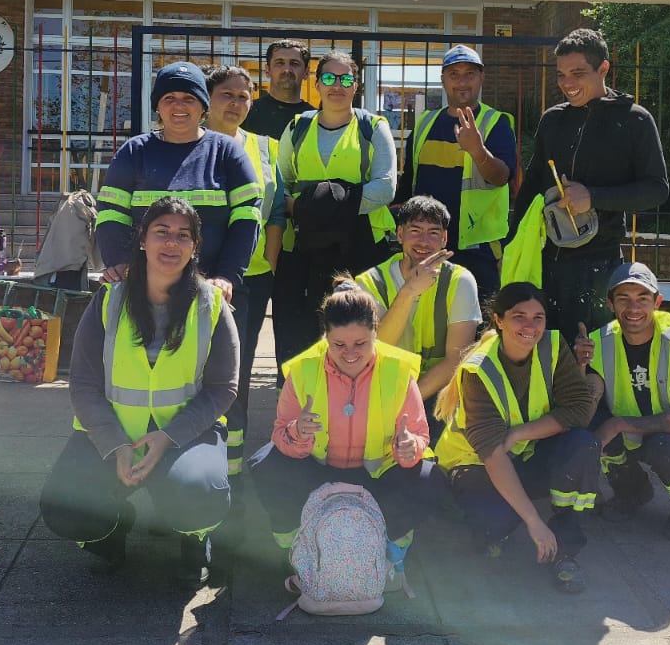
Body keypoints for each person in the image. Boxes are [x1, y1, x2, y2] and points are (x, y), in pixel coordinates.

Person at [38, 197, 240, 584]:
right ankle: (112, 528)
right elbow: (82, 382)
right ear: (143, 240)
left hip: (183, 435)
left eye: (183, 236)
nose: (171, 243)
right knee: (63, 508)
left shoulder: (212, 304)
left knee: (199, 491)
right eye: (161, 232)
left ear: (195, 247)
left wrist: (168, 437)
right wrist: (115, 443)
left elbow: (222, 388)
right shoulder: (108, 300)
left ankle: (194, 537)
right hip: (112, 433)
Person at [246, 280, 442, 584]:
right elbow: (280, 436)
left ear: (376, 331)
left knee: (429, 478)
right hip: (319, 473)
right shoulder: (302, 370)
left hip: (374, 475)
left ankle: (392, 548)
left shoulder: (399, 372)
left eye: (361, 344)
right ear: (326, 335)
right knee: (266, 464)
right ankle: (292, 549)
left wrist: (408, 447)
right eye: (339, 345)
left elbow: (419, 434)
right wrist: (298, 431)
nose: (350, 354)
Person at [433, 282, 602, 593]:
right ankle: (486, 525)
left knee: (582, 445)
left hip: (521, 450)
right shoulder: (477, 369)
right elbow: (492, 453)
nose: (530, 326)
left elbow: (578, 409)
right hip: (474, 464)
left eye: (538, 317)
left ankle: (565, 550)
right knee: (494, 522)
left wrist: (520, 433)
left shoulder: (552, 346)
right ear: (498, 320)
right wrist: (534, 522)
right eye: (519, 316)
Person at [508, 28, 669, 342]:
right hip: (543, 262)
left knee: (589, 360)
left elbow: (657, 188)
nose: (567, 83)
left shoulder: (636, 120)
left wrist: (593, 197)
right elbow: (531, 188)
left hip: (599, 266)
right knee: (541, 356)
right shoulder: (552, 120)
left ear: (604, 68)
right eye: (561, 75)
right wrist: (511, 242)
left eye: (578, 73)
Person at [574, 262, 670, 543]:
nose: (633, 308)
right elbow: (585, 408)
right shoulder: (600, 341)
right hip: (635, 431)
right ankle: (632, 493)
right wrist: (579, 369)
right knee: (593, 433)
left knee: (664, 449)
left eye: (642, 299)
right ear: (610, 304)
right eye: (623, 299)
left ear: (657, 301)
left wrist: (618, 424)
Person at [94, 61, 262, 300]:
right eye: (169, 97)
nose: (179, 105)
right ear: (158, 107)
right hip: (144, 290)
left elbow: (247, 218)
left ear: (203, 106)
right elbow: (111, 213)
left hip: (214, 289)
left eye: (189, 98)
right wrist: (118, 262)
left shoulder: (227, 152)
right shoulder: (134, 152)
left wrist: (226, 275)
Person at [275, 50, 398, 364]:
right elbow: (283, 182)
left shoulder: (374, 127)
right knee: (304, 333)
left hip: (361, 244)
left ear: (356, 85)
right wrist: (317, 209)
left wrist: (318, 208)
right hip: (306, 245)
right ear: (316, 84)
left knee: (360, 334)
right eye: (329, 77)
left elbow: (385, 188)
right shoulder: (297, 127)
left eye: (346, 79)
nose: (337, 85)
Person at [204, 66, 287, 479]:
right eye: (226, 95)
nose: (236, 103)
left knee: (237, 368)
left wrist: (268, 262)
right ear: (207, 100)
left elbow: (276, 211)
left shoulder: (266, 147)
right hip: (197, 278)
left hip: (248, 280)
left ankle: (231, 468)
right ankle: (197, 452)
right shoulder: (190, 145)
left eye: (244, 95)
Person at [397, 44, 517, 298]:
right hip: (427, 246)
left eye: (470, 74)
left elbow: (501, 177)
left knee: (475, 328)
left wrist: (477, 151)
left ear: (482, 78)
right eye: (454, 74)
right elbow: (410, 181)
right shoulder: (425, 123)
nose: (462, 82)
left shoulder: (497, 122)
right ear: (443, 80)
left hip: (477, 251)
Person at [355, 195, 479, 434]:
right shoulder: (369, 282)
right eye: (415, 231)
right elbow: (374, 348)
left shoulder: (460, 280)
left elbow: (456, 359)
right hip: (381, 388)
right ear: (399, 234)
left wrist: (409, 403)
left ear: (444, 239)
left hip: (436, 389)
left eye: (433, 233)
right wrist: (409, 291)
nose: (424, 241)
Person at [243, 39, 315, 139]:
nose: (287, 70)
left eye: (294, 63)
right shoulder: (246, 112)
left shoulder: (315, 119)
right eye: (280, 63)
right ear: (267, 70)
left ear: (306, 72)